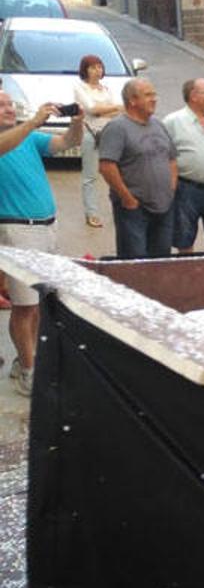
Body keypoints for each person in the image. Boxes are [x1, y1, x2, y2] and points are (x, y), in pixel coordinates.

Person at [0, 93, 83, 395]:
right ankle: (30, 370)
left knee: (40, 305)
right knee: (25, 307)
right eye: (1, 105)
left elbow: (66, 143)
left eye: (10, 104)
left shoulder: (29, 137)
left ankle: (25, 359)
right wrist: (33, 122)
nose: (9, 109)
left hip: (48, 226)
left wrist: (77, 123)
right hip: (18, 230)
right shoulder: (16, 137)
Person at [97, 79, 177, 259]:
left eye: (154, 94)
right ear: (132, 100)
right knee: (135, 262)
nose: (154, 99)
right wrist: (127, 198)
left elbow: (171, 158)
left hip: (163, 207)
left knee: (161, 261)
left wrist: (171, 188)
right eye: (148, 95)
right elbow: (107, 166)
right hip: (134, 209)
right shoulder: (117, 128)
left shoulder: (158, 125)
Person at [162, 78, 204, 254]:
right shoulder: (173, 122)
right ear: (193, 96)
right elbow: (162, 155)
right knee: (184, 237)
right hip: (187, 188)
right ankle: (187, 275)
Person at [74, 53, 121, 229]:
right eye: (93, 67)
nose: (97, 71)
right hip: (90, 133)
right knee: (90, 176)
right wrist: (110, 109)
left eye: (99, 67)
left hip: (109, 133)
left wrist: (106, 110)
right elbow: (92, 109)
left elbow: (117, 111)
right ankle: (91, 213)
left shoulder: (106, 89)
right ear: (85, 70)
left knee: (115, 172)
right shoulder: (80, 88)